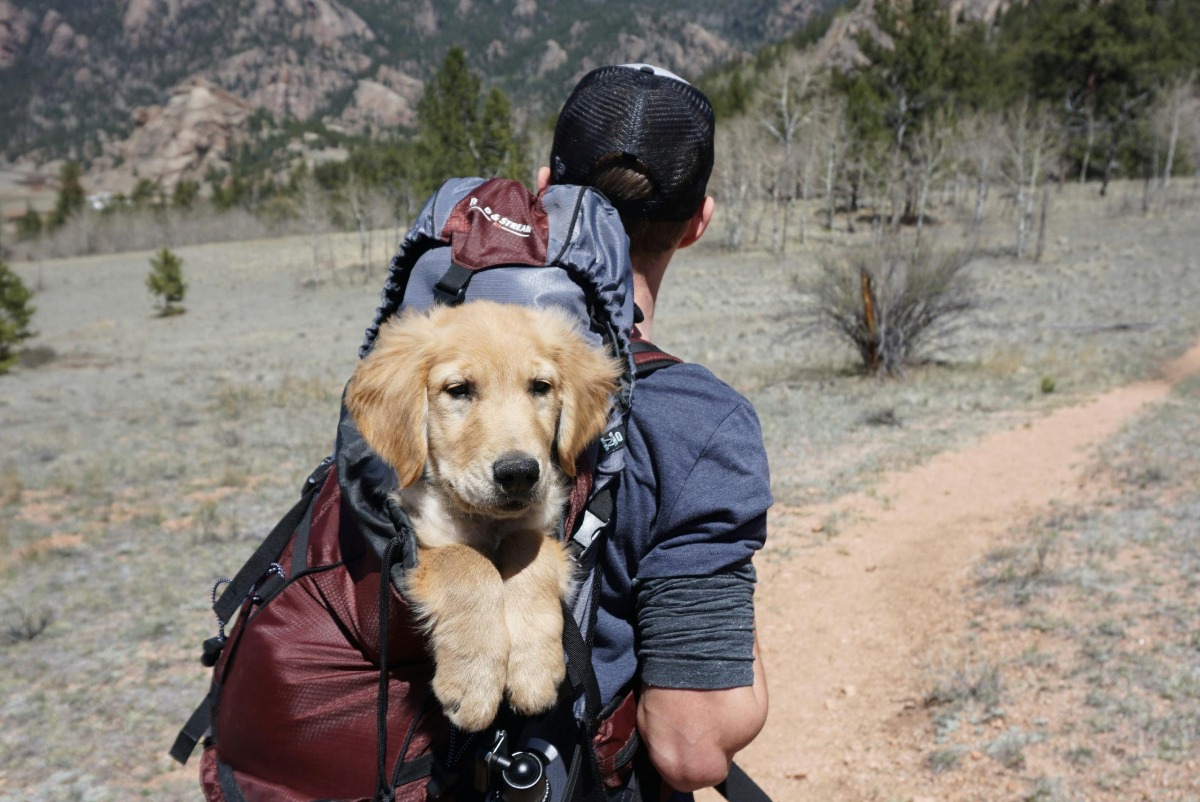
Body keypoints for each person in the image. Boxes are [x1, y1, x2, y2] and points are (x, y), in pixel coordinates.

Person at [539, 64, 771, 795]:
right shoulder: (699, 425)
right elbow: (690, 748)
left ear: (544, 189)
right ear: (699, 222)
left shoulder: (429, 355)